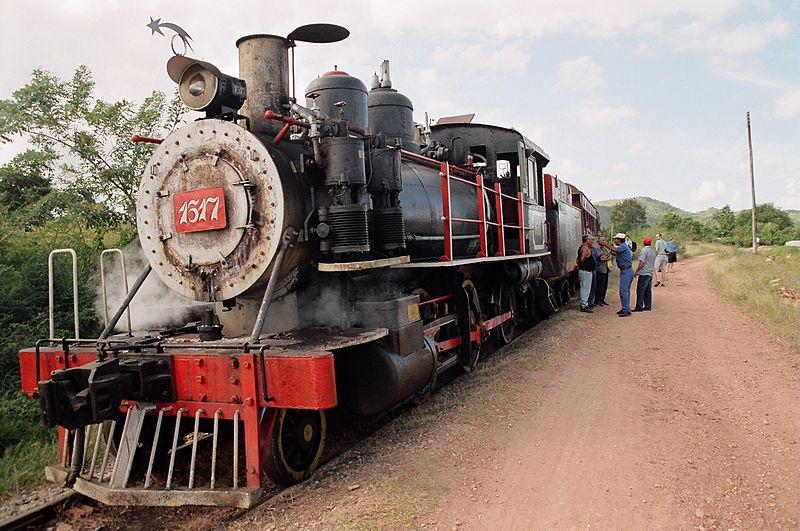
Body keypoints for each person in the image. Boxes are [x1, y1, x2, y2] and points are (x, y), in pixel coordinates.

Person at [601, 232, 633, 317]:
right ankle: (625, 308)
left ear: (619, 240)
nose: (615, 240)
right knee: (624, 291)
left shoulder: (622, 246)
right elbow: (615, 252)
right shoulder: (623, 247)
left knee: (624, 291)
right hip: (626, 271)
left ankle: (626, 309)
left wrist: (605, 244)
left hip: (626, 271)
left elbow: (615, 250)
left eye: (616, 239)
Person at [633, 237, 655, 311]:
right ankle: (648, 305)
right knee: (647, 290)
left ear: (644, 243)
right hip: (650, 273)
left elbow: (642, 262)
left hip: (644, 273)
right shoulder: (652, 251)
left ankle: (639, 306)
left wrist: (637, 271)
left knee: (640, 290)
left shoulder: (644, 250)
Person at [576, 234, 596, 313]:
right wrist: (581, 265)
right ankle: (584, 305)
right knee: (585, 288)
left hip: (586, 271)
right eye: (591, 240)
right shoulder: (585, 248)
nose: (592, 241)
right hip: (585, 271)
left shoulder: (584, 247)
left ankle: (585, 304)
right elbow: (582, 259)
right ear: (587, 240)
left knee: (586, 288)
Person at [594, 237, 611, 306]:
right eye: (603, 240)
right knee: (599, 286)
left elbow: (607, 256)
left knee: (604, 285)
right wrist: (606, 258)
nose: (605, 241)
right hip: (599, 269)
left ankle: (602, 299)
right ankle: (597, 300)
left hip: (605, 269)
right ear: (598, 241)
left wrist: (606, 257)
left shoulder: (604, 248)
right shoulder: (596, 249)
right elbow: (601, 258)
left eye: (605, 240)